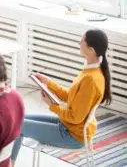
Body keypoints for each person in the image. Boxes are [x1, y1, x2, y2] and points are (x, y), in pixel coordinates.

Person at [10, 29, 112, 166]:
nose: (79, 43)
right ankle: (10, 163)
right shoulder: (92, 71)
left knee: (18, 124)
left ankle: (8, 164)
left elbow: (75, 117)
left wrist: (51, 105)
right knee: (20, 119)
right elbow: (71, 96)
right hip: (67, 126)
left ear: (91, 50)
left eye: (82, 40)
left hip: (71, 135)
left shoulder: (91, 80)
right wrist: (48, 82)